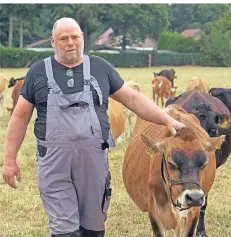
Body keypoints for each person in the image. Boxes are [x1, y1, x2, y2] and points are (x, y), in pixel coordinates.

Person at [2, 18, 184, 237]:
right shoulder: (38, 72)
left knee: (94, 227)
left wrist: (167, 120)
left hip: (93, 161)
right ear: (53, 41)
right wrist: (10, 161)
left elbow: (134, 100)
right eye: (63, 38)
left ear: (82, 39)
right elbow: (19, 118)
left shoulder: (100, 68)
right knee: (64, 229)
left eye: (75, 37)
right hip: (54, 163)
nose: (70, 43)